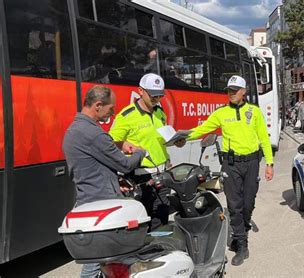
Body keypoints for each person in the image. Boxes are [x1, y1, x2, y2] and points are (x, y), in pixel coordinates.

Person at [187, 75, 274, 266]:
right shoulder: (221, 113)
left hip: (251, 163)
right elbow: (202, 129)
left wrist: (269, 163)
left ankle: (241, 230)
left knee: (248, 203)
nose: (231, 93)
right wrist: (182, 138)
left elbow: (264, 139)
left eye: (235, 90)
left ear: (244, 91)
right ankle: (242, 244)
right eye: (229, 90)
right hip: (231, 164)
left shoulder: (255, 112)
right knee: (234, 205)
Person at [63, 85, 146, 278]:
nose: (113, 112)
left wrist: (114, 180)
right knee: (98, 261)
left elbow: (91, 168)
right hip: (101, 204)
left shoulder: (74, 130)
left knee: (105, 259)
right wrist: (140, 152)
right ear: (98, 105)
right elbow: (125, 164)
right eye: (111, 108)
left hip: (88, 199)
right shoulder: (93, 133)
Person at [109, 73, 185, 228]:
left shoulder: (159, 112)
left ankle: (161, 251)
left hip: (162, 176)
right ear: (140, 91)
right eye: (153, 96)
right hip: (141, 179)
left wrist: (176, 142)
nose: (156, 99)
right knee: (142, 223)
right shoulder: (126, 115)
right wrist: (126, 145)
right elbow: (110, 142)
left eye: (159, 96)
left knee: (161, 221)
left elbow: (160, 140)